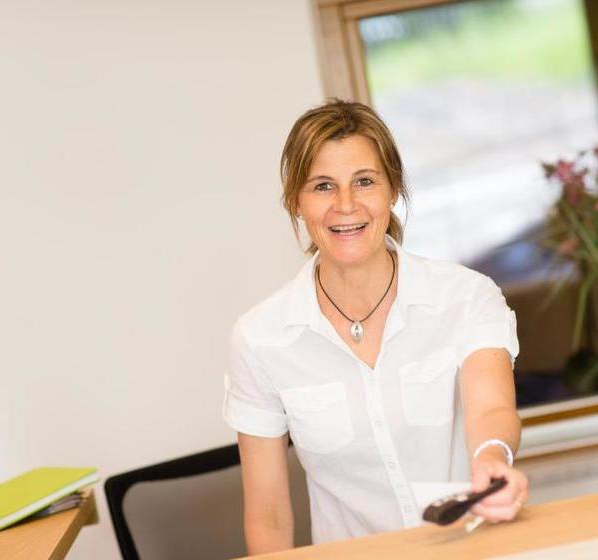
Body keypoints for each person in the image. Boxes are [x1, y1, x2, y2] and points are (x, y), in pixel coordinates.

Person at [223, 99, 527, 555]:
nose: (346, 205)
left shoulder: (466, 297)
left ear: (393, 189)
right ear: (296, 201)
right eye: (323, 186)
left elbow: (492, 411)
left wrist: (492, 457)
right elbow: (269, 518)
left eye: (364, 181)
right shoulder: (260, 338)